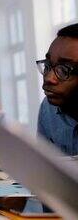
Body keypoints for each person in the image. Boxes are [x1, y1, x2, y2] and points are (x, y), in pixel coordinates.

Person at [36, 23, 78, 155]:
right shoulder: (48, 109)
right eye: (48, 65)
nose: (48, 78)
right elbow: (43, 168)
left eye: (64, 69)